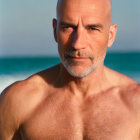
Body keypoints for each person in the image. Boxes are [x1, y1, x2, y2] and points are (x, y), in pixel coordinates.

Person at [0, 0, 140, 139]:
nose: (78, 43)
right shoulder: (17, 101)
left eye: (92, 29)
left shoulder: (136, 104)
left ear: (110, 35)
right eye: (68, 27)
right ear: (55, 30)